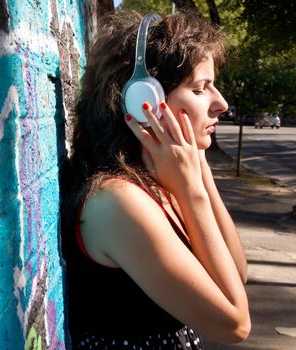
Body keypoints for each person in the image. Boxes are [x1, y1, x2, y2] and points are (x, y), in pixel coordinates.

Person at [61, 10, 250, 349]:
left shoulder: (159, 180)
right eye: (200, 88)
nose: (220, 103)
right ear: (144, 100)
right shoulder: (117, 201)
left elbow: (236, 275)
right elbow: (234, 325)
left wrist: (200, 172)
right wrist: (191, 192)